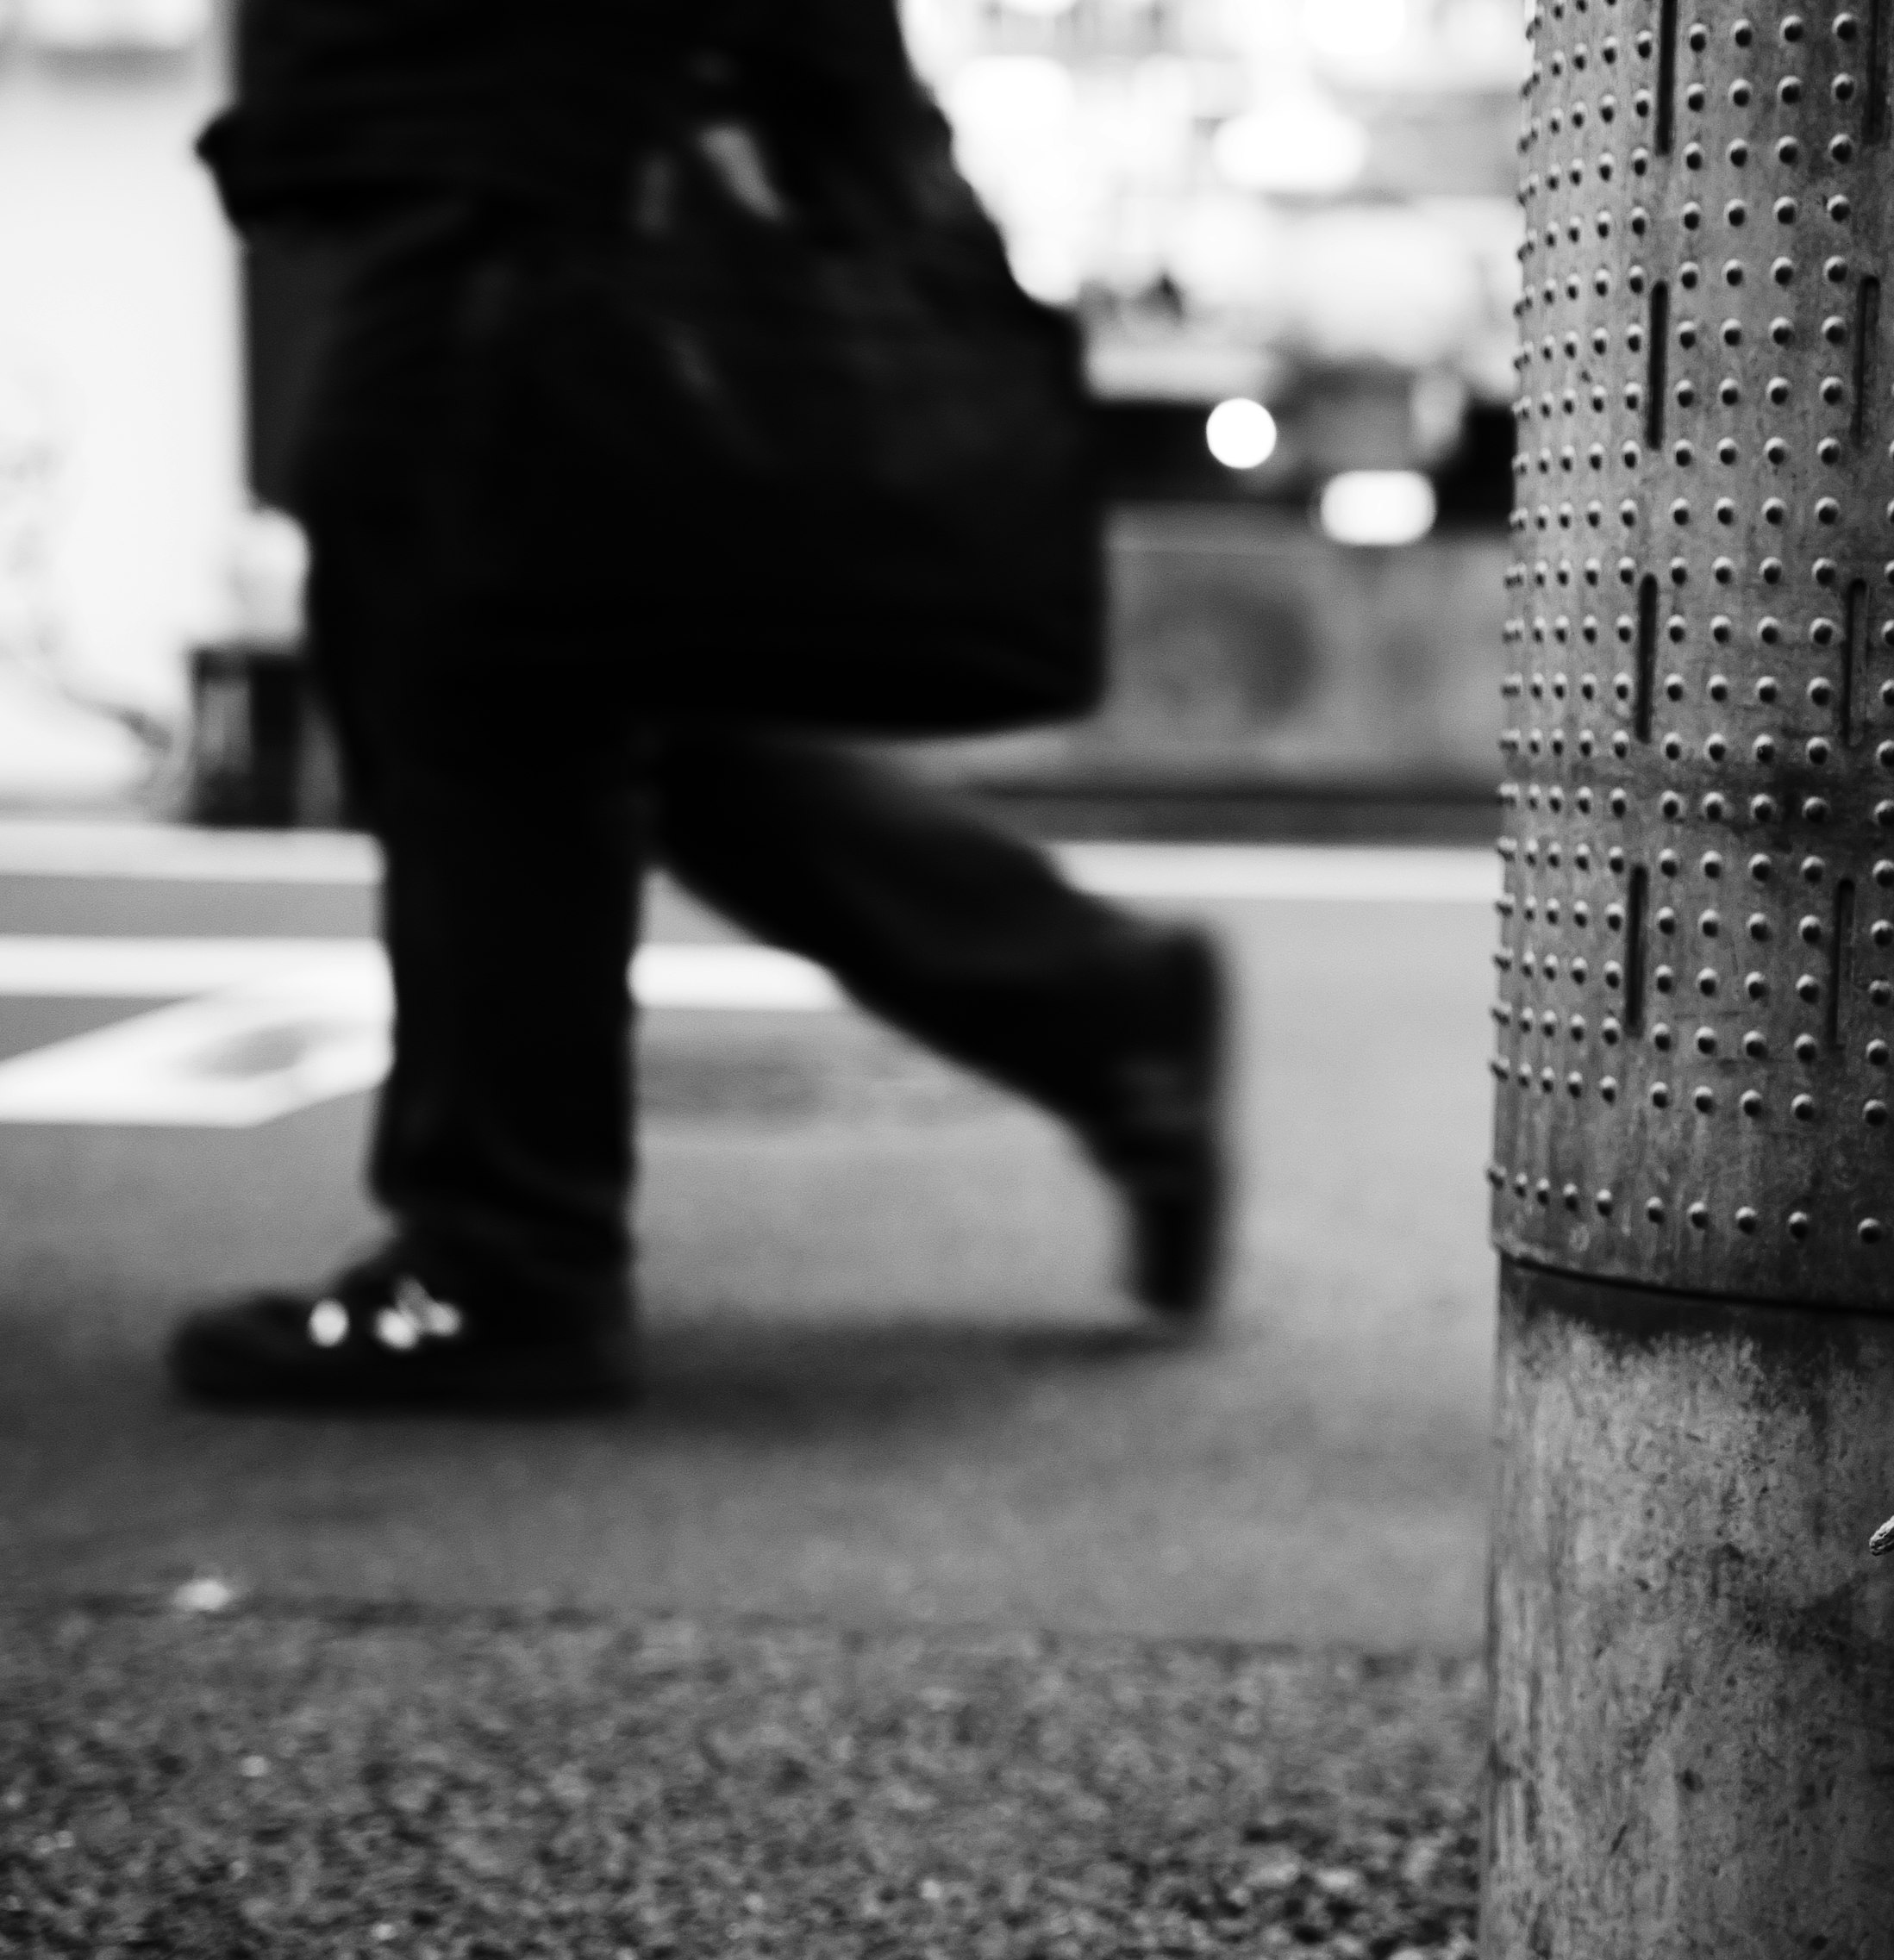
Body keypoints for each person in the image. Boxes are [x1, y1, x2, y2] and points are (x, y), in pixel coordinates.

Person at [171, 0, 1223, 1412]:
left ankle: (506, 1253)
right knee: (586, 676)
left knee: (468, 647)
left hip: (522, 161)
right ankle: (1088, 996)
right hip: (510, 148)